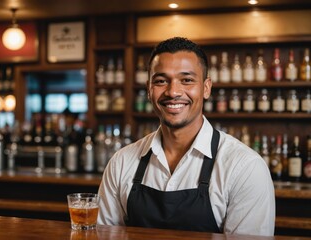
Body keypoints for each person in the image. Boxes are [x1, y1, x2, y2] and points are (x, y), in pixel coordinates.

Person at [97, 37, 275, 236]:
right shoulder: (121, 162)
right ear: (149, 89)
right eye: (161, 81)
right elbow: (104, 236)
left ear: (206, 88)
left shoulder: (245, 167)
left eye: (187, 80)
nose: (173, 92)